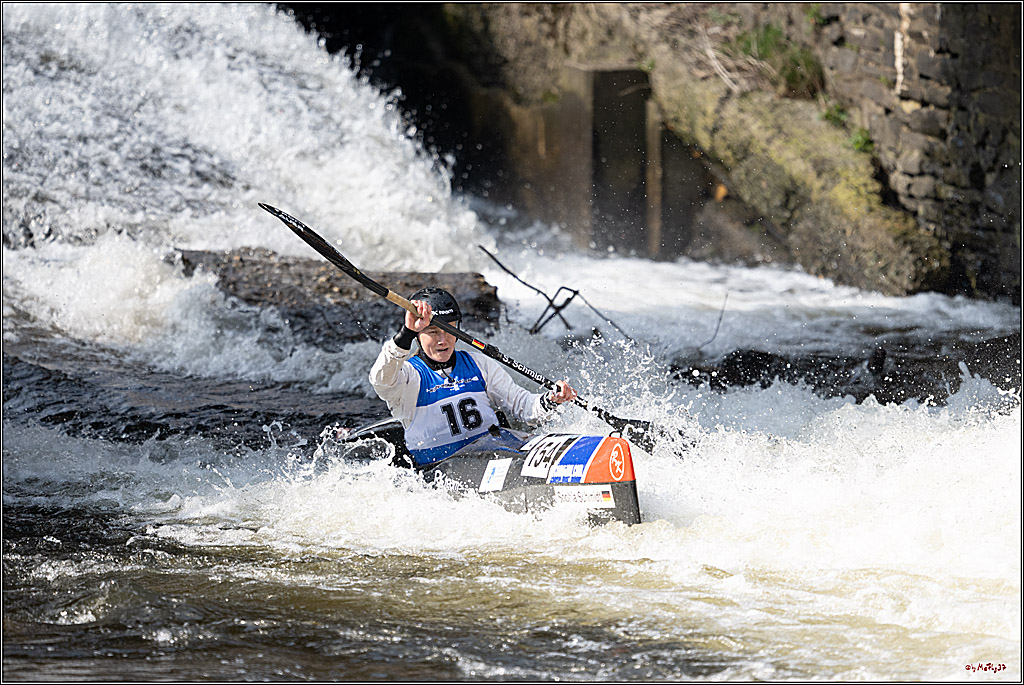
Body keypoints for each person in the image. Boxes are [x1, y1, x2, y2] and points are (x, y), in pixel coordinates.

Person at [369, 287, 577, 466]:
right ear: (418, 334)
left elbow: (524, 407)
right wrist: (405, 333)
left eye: (449, 330)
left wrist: (551, 400)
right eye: (433, 332)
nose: (443, 340)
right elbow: (380, 380)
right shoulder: (409, 376)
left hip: (495, 452)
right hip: (443, 468)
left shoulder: (479, 363)